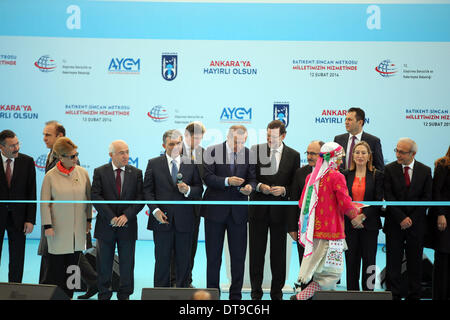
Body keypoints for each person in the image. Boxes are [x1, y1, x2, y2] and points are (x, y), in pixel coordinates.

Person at [291, 142, 364, 300]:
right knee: (332, 274)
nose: (341, 161)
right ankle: (302, 296)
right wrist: (355, 214)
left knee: (317, 270)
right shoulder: (337, 176)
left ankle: (302, 294)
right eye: (339, 158)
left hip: (313, 232)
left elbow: (302, 202)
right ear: (332, 158)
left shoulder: (311, 177)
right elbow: (345, 203)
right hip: (333, 234)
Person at [202, 125, 256, 300]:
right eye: (235, 141)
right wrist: (227, 181)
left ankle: (235, 297)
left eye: (242, 141)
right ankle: (212, 295)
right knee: (213, 257)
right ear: (227, 136)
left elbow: (253, 179)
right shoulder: (211, 151)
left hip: (239, 214)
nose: (238, 145)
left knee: (238, 258)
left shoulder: (249, 154)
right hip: (214, 212)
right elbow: (207, 178)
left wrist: (250, 187)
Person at [143, 129, 203, 288]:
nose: (176, 146)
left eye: (178, 143)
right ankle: (159, 294)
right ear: (164, 145)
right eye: (171, 144)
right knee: (162, 260)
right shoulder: (153, 163)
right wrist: (155, 211)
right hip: (161, 220)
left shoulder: (191, 163)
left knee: (184, 260)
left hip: (185, 221)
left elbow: (199, 189)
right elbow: (147, 191)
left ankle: (182, 292)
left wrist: (188, 190)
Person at [248, 120, 300, 300]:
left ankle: (276, 294)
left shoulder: (294, 155)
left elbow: (296, 184)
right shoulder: (255, 150)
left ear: (284, 136)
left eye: (274, 136)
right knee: (256, 254)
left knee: (279, 256)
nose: (270, 139)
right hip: (258, 212)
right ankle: (256, 293)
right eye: (268, 135)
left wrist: (284, 190)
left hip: (280, 213)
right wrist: (260, 186)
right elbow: (250, 177)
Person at [91, 140, 144, 300]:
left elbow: (140, 198)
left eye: (127, 152)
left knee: (127, 265)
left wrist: (126, 216)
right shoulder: (100, 171)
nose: (126, 156)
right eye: (121, 152)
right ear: (111, 155)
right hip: (106, 226)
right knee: (104, 265)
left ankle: (125, 295)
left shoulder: (136, 173)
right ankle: (104, 294)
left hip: (127, 226)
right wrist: (112, 217)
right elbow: (95, 196)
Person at [40, 137, 92, 298]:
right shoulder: (50, 176)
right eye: (72, 156)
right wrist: (47, 226)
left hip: (77, 232)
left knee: (73, 271)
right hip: (57, 231)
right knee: (56, 271)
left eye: (76, 155)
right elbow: (44, 203)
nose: (76, 159)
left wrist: (89, 221)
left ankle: (69, 296)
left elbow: (88, 199)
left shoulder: (82, 173)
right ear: (60, 157)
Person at [384, 138, 432, 300]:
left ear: (413, 154)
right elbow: (388, 196)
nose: (397, 154)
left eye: (402, 152)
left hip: (416, 225)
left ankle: (414, 295)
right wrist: (401, 218)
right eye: (396, 150)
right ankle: (394, 295)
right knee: (393, 264)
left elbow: (427, 198)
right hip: (394, 224)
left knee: (415, 264)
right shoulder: (389, 169)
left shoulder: (425, 171)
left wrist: (411, 218)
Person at [169, 122, 206, 288]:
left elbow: (206, 180)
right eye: (194, 137)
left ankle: (186, 280)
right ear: (186, 135)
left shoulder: (205, 154)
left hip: (195, 207)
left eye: (200, 137)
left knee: (190, 247)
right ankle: (172, 280)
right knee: (173, 247)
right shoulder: (174, 150)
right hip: (175, 208)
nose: (197, 140)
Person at [343, 141, 383, 291]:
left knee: (369, 262)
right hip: (350, 224)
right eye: (357, 152)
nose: (360, 155)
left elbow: (378, 200)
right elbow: (342, 199)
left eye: (363, 153)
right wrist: (353, 217)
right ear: (352, 156)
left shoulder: (377, 175)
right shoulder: (345, 175)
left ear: (369, 156)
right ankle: (352, 293)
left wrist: (362, 216)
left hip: (369, 225)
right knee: (351, 262)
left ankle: (369, 293)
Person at [0, 130, 36, 283]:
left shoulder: (27, 162)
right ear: (2, 147)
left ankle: (14, 289)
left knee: (17, 258)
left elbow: (31, 192)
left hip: (19, 218)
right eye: (12, 145)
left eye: (17, 143)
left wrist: (30, 219)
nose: (17, 148)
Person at [288, 140, 324, 268]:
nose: (309, 157)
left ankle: (320, 288)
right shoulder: (300, 173)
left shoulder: (331, 173)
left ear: (323, 154)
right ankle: (305, 287)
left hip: (324, 228)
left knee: (321, 266)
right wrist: (292, 227)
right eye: (308, 153)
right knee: (304, 263)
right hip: (304, 227)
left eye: (313, 154)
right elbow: (294, 200)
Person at [39, 120, 65, 284]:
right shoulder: (51, 154)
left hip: (61, 216)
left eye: (48, 135)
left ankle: (45, 288)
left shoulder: (67, 157)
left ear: (60, 136)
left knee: (64, 255)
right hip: (50, 213)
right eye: (44, 135)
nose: (44, 138)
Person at [428, 146, 450, 300]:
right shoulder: (443, 164)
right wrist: (441, 214)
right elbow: (436, 191)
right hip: (445, 219)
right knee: (442, 259)